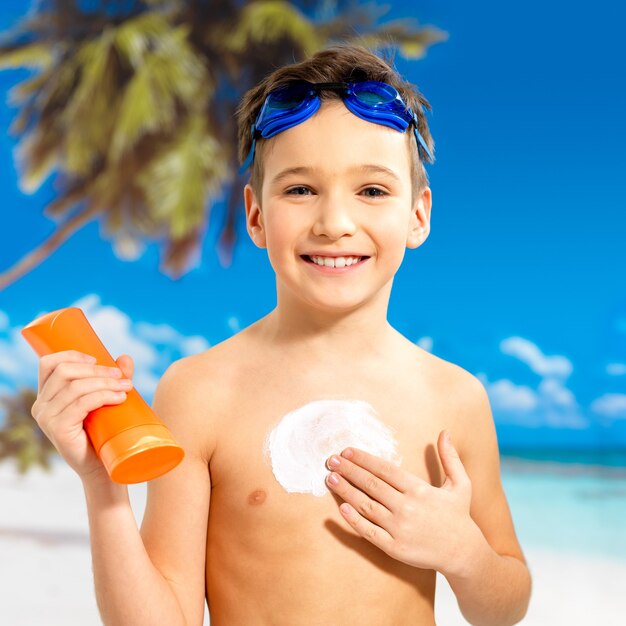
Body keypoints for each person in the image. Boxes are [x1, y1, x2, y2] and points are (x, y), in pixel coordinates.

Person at [31, 44, 531, 625]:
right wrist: (104, 486)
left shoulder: (456, 398)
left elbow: (505, 605)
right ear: (256, 216)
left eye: (371, 191)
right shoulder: (200, 391)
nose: (335, 223)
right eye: (300, 189)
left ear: (417, 215)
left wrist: (463, 554)